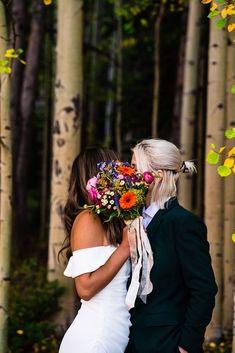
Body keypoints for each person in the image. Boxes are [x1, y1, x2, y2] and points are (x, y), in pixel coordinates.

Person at [125, 139, 218, 353]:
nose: (128, 175)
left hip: (167, 341)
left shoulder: (183, 222)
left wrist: (187, 344)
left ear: (157, 174)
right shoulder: (131, 218)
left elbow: (204, 289)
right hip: (129, 339)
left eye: (135, 168)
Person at [58, 148, 131, 353]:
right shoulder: (88, 218)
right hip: (96, 337)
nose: (123, 175)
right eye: (116, 169)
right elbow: (85, 288)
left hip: (113, 331)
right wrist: (124, 249)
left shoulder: (110, 219)